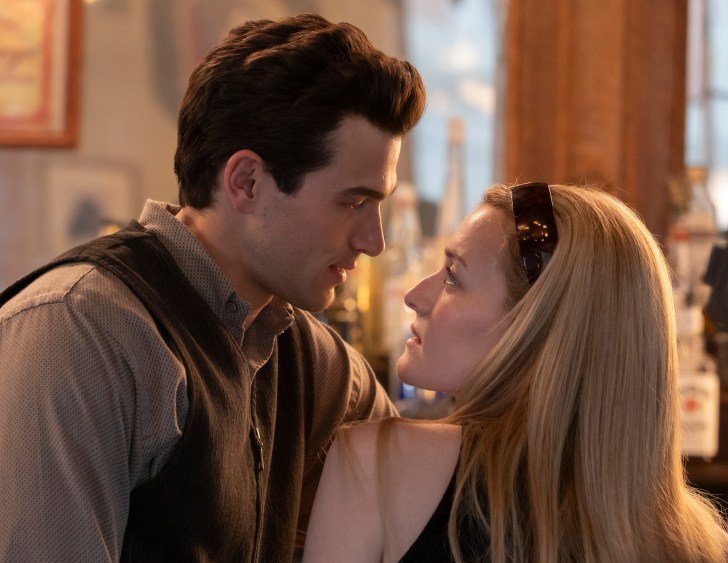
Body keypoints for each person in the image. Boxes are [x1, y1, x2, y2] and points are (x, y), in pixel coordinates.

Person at [0, 14, 426, 562]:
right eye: (354, 202)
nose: (373, 241)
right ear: (246, 182)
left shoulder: (301, 352)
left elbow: (426, 490)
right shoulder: (77, 332)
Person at [304, 183, 728, 562]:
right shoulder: (699, 543)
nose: (415, 296)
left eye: (452, 277)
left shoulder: (379, 465)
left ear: (535, 325)